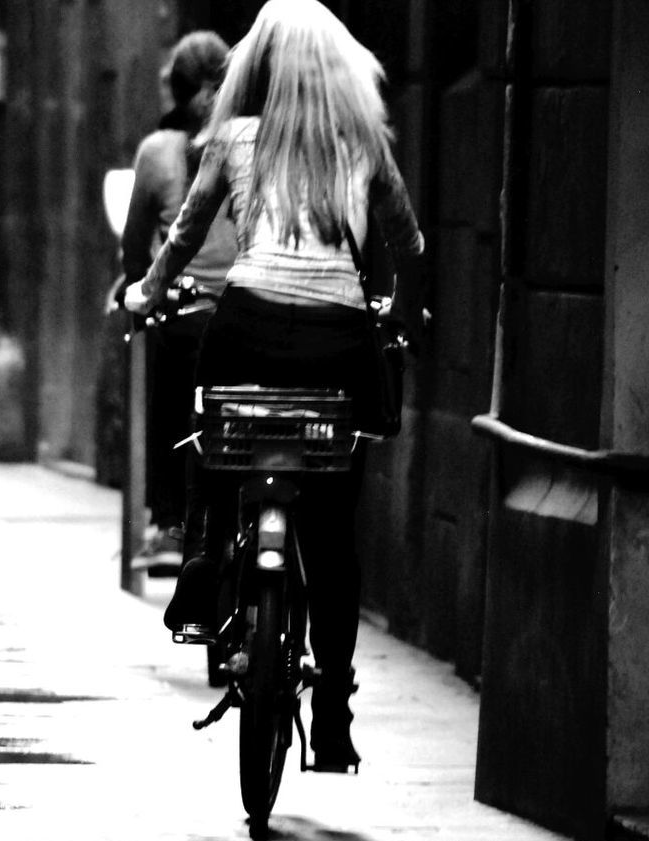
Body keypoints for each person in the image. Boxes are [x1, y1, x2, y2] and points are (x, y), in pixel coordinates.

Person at [124, 0, 424, 772]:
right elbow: (408, 243)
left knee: (212, 425)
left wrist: (147, 293)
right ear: (338, 71)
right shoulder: (362, 143)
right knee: (331, 531)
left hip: (248, 323)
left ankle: (198, 556)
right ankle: (332, 715)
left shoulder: (232, 138)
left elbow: (187, 234)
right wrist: (402, 309)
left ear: (254, 70)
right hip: (338, 341)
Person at [120, 31, 236, 576]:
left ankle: (168, 519)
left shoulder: (158, 152)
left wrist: (135, 289)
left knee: (171, 375)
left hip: (187, 311)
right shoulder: (256, 143)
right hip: (250, 308)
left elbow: (136, 243)